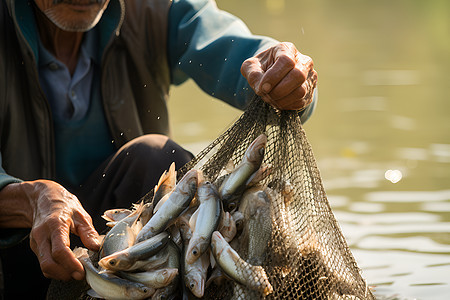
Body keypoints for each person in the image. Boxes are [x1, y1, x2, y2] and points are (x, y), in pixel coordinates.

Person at [0, 0, 317, 298]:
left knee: (158, 159)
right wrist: (30, 198)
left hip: (132, 247)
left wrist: (283, 73)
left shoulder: (155, 9)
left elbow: (232, 48)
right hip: (18, 255)